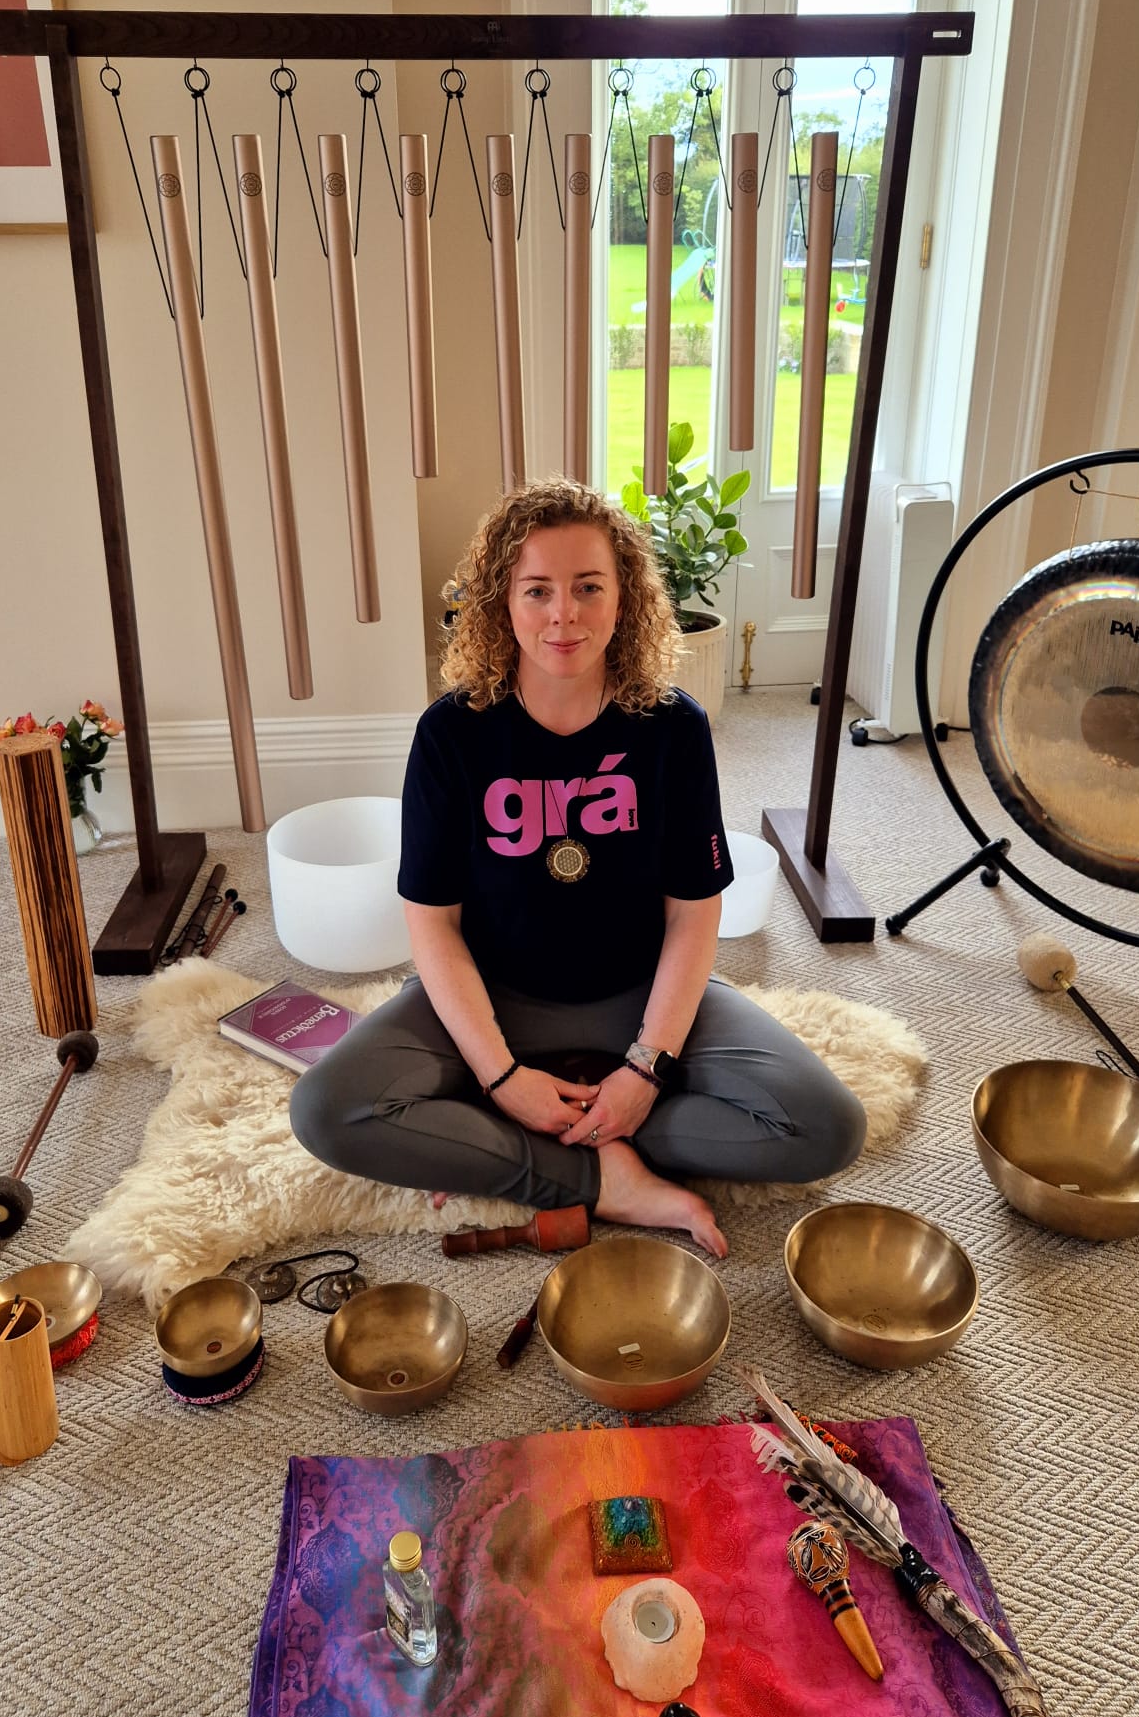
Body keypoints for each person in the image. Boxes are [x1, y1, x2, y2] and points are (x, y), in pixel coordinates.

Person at [290, 478, 866, 1256]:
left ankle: (534, 1129)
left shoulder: (674, 729)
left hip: (638, 994)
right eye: (537, 591)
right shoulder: (450, 736)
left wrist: (644, 1071)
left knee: (827, 1127)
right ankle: (605, 1179)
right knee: (328, 1109)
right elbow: (431, 924)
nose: (563, 613)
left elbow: (695, 913)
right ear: (502, 604)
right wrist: (498, 1077)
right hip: (491, 994)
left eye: (588, 587)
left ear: (624, 598)